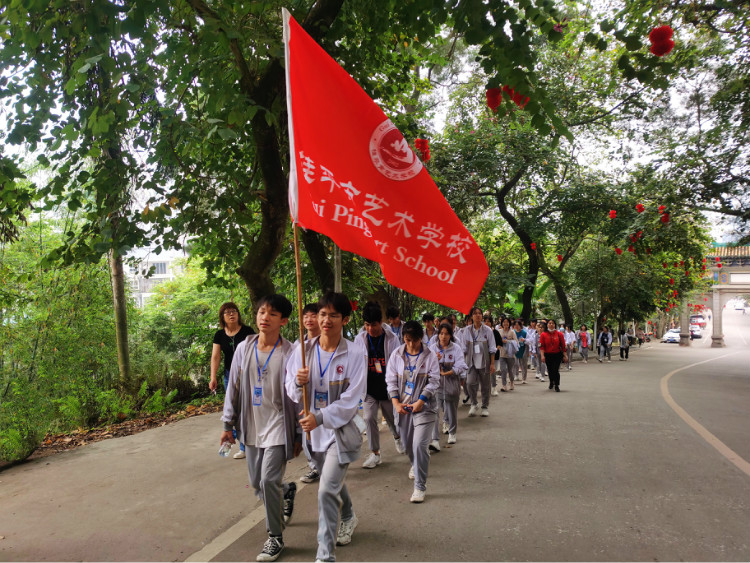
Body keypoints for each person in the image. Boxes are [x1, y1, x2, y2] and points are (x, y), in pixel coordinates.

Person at [286, 292, 366, 562]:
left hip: (338, 433)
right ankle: (349, 516)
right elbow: (291, 392)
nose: (326, 320)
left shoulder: (354, 353)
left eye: (333, 315)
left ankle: (324, 556)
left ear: (345, 319)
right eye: (322, 314)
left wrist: (320, 417)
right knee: (332, 483)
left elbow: (351, 400)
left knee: (325, 490)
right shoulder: (302, 351)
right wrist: (297, 382)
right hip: (312, 434)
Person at [221, 294, 301, 562]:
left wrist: (299, 433)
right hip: (252, 424)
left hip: (278, 424)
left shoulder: (290, 352)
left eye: (272, 314)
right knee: (258, 484)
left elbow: (297, 397)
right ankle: (286, 491)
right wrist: (227, 424)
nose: (265, 317)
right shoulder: (245, 348)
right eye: (261, 312)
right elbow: (233, 386)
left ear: (284, 321)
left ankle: (275, 537)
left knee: (267, 481)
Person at [386, 320, 440, 503]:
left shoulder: (430, 356)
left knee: (419, 445)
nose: (410, 344)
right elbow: (390, 380)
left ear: (421, 338)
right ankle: (416, 463)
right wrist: (396, 403)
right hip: (403, 408)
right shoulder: (396, 355)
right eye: (407, 340)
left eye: (414, 340)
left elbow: (434, 381)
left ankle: (420, 486)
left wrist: (421, 401)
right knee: (408, 446)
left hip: (425, 408)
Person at [354, 301, 405, 469]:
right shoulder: (359, 339)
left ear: (381, 322)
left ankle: (397, 437)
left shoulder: (392, 339)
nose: (370, 329)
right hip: (369, 388)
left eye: (374, 325)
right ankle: (375, 453)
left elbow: (398, 363)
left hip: (387, 388)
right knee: (369, 418)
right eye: (367, 325)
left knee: (391, 419)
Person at [211, 302, 255, 459]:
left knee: (247, 409)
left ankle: (247, 444)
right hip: (230, 375)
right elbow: (216, 357)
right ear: (222, 317)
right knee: (232, 408)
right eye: (227, 312)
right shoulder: (219, 335)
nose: (231, 314)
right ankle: (236, 443)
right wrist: (213, 376)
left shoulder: (248, 332)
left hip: (248, 375)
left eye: (234, 311)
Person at [296, 303, 322, 484]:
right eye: (306, 316)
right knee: (307, 431)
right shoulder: (298, 345)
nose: (309, 319)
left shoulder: (327, 342)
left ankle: (329, 463)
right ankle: (314, 466)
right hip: (305, 395)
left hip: (324, 394)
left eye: (313, 315)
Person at [429, 322, 468, 445]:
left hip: (452, 385)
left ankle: (452, 433)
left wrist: (449, 372)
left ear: (450, 335)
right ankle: (435, 439)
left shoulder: (456, 348)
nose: (443, 336)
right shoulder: (432, 348)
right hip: (437, 385)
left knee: (451, 410)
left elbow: (461, 365)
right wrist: (436, 360)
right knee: (434, 411)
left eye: (446, 334)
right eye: (441, 333)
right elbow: (427, 365)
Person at [461, 306, 496, 417]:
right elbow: (463, 348)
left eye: (479, 313)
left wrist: (492, 364)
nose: (477, 315)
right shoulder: (467, 330)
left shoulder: (488, 330)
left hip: (484, 361)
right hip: (471, 361)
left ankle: (485, 406)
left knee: (485, 385)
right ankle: (474, 403)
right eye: (475, 313)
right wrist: (462, 363)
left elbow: (492, 348)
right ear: (471, 316)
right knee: (469, 383)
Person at [539, 319, 567, 392]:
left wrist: (565, 355)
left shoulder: (559, 334)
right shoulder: (543, 334)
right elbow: (541, 346)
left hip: (557, 354)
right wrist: (542, 356)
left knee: (556, 370)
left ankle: (557, 385)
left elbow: (563, 346)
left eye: (553, 323)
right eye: (550, 323)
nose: (551, 324)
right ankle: (551, 381)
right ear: (547, 325)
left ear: (555, 325)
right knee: (550, 370)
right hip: (548, 354)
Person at [496, 317, 518, 392]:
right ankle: (504, 385)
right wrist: (501, 342)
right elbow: (496, 341)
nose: (505, 323)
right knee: (503, 370)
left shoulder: (512, 332)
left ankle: (511, 382)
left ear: (509, 323)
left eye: (507, 322)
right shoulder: (499, 331)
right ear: (502, 323)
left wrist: (508, 341)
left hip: (510, 355)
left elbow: (516, 342)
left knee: (510, 370)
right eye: (504, 322)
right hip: (502, 354)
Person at [483, 314, 501, 396]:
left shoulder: (495, 332)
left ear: (491, 323)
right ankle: (486, 388)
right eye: (485, 321)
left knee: (492, 372)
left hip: (494, 355)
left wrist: (494, 350)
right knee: (484, 372)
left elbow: (499, 343)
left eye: (488, 321)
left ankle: (494, 387)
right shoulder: (481, 332)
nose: (487, 323)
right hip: (484, 356)